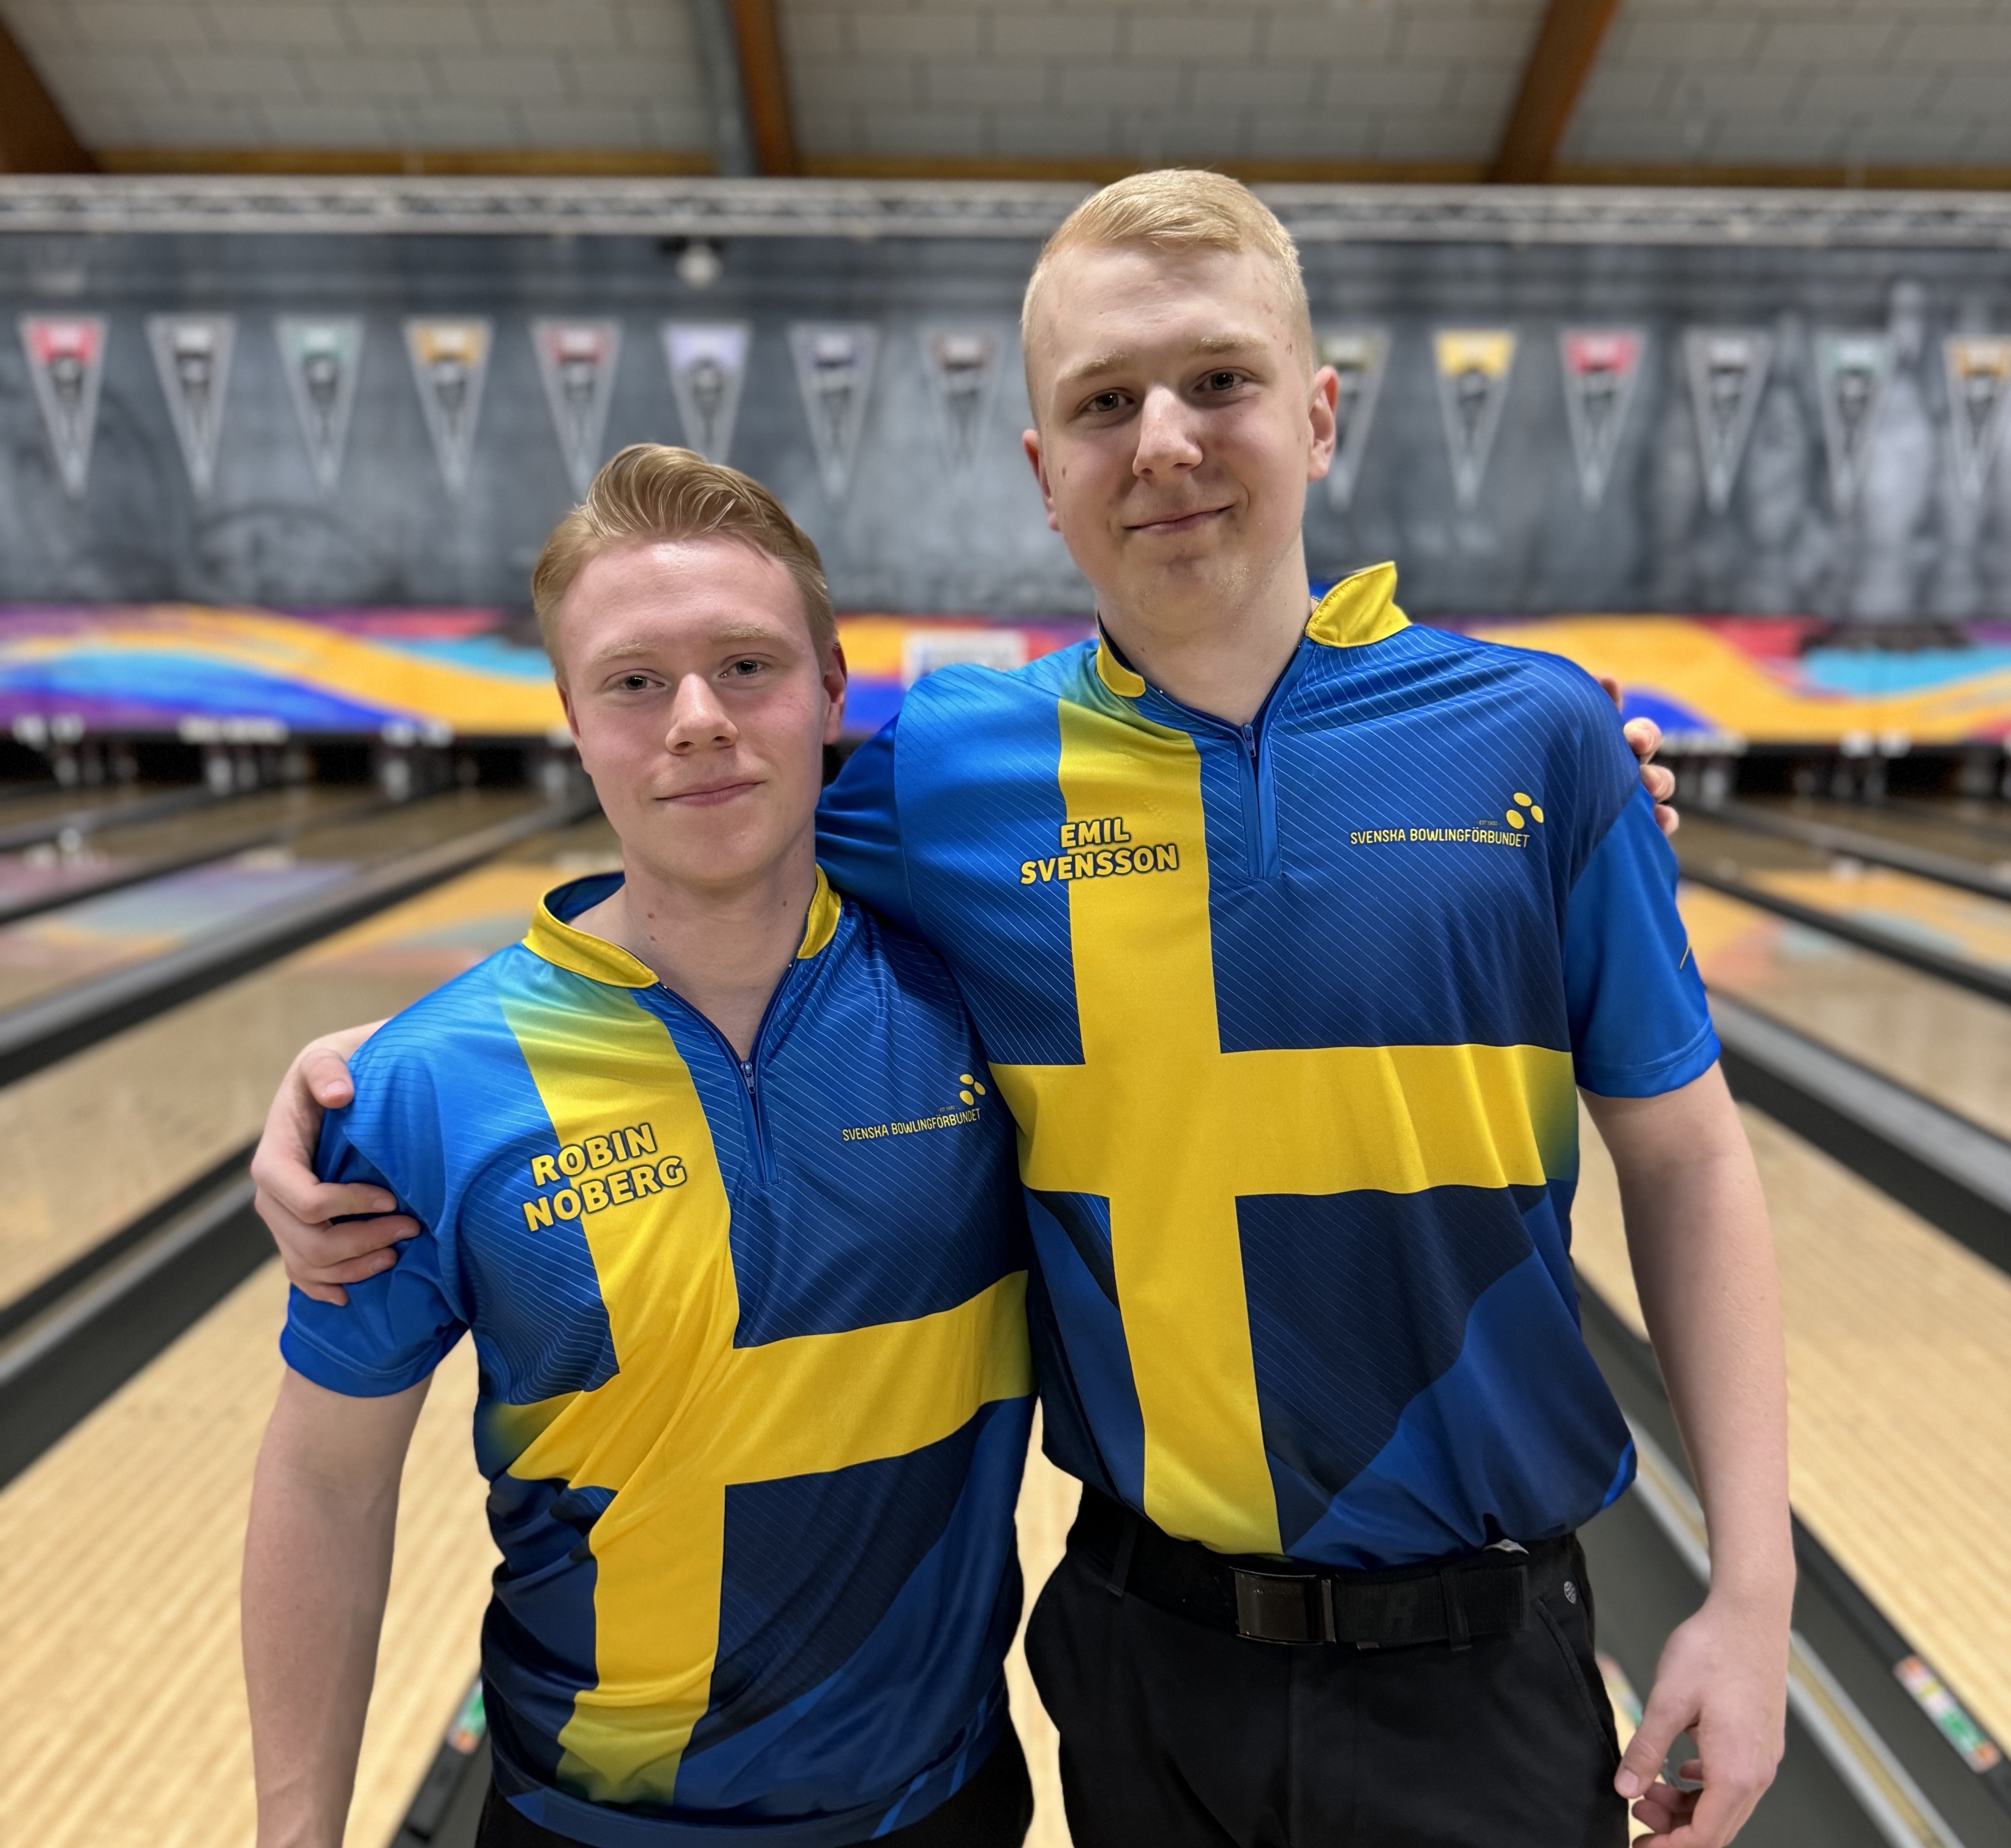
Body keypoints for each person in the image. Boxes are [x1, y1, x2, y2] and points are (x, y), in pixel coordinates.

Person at [251, 171, 1786, 1848]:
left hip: (1479, 1650)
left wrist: (1754, 1590)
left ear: (1319, 412)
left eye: (1218, 380)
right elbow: (697, 871)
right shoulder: (954, 773)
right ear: (1043, 470)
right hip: (1146, 1656)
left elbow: (1689, 1159)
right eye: (1104, 403)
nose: (1165, 441)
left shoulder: (1539, 741)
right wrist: (369, 1080)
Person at [241, 449, 1039, 1848]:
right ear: (571, 718)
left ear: (830, 688)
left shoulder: (984, 999)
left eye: (747, 666)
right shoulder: (426, 1088)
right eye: (633, 681)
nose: (697, 721)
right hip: (583, 1821)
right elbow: (327, 1480)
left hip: (941, 1807)